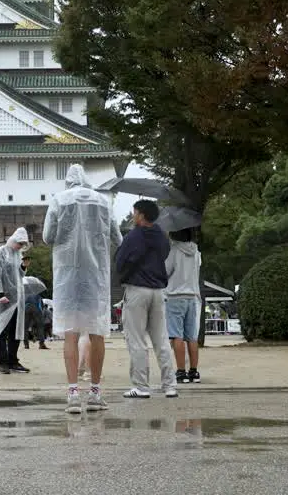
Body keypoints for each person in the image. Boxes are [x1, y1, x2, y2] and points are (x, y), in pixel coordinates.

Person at [43, 164, 123, 414]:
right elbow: (118, 239)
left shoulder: (58, 200)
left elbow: (47, 237)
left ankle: (73, 394)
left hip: (68, 276)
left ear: (68, 181)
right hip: (95, 277)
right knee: (97, 333)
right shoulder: (103, 202)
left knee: (71, 333)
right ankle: (96, 392)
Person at [115, 199, 176, 399]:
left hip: (137, 290)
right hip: (158, 291)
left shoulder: (133, 237)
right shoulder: (161, 236)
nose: (133, 215)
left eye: (134, 212)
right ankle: (169, 385)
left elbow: (121, 260)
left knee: (137, 339)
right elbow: (165, 253)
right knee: (161, 339)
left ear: (141, 214)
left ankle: (141, 386)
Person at [0, 227, 30, 374]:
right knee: (3, 331)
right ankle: (2, 362)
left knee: (15, 331)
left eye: (23, 244)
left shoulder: (18, 255)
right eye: (19, 243)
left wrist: (24, 267)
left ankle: (13, 361)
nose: (20, 246)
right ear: (13, 240)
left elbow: (19, 276)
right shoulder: (0, 253)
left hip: (17, 299)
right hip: (4, 299)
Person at [164, 228, 203, 384]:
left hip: (175, 296)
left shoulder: (173, 251)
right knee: (191, 336)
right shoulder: (196, 252)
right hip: (192, 296)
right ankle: (194, 371)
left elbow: (165, 271)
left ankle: (181, 372)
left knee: (176, 336)